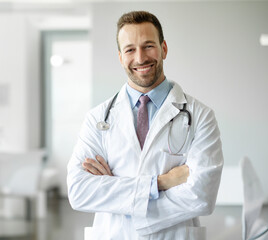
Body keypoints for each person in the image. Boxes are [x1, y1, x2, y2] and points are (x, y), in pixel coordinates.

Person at [67, 11, 223, 239]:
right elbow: (79, 192)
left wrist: (117, 192)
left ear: (164, 49)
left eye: (148, 46)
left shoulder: (200, 116)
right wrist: (161, 183)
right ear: (120, 57)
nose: (140, 58)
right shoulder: (98, 119)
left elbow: (201, 196)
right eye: (130, 49)